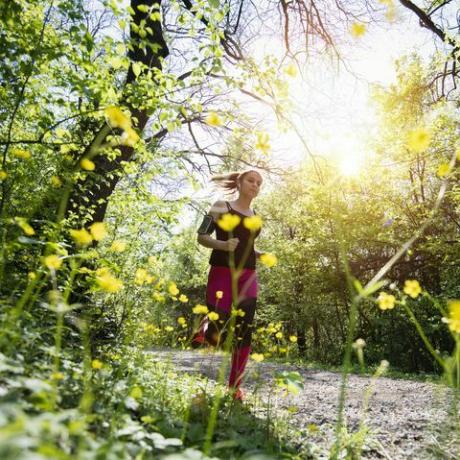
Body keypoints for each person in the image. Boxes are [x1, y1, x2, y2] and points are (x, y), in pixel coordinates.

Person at [194, 170, 263, 401]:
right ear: (240, 182)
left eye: (259, 183)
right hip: (222, 270)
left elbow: (247, 245)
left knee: (245, 330)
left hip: (248, 274)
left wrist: (257, 253)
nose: (255, 185)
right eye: (251, 180)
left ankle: (234, 388)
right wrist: (222, 245)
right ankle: (206, 326)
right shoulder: (221, 206)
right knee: (218, 328)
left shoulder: (256, 215)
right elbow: (201, 236)